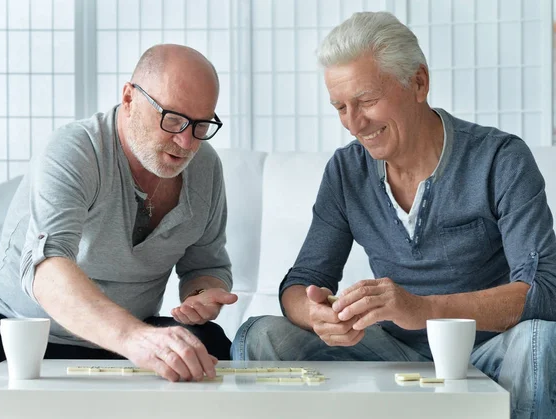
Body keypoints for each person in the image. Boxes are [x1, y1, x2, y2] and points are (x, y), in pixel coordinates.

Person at [231, 11, 556, 418]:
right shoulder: (347, 171)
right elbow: (301, 283)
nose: (354, 123)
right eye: (340, 107)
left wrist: (421, 309)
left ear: (418, 82)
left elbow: (544, 292)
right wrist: (316, 315)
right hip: (389, 356)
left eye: (366, 101)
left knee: (540, 341)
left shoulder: (500, 159)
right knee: (258, 336)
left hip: (489, 354)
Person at [0, 44, 238, 383]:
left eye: (201, 125)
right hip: (21, 330)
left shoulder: (205, 167)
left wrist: (200, 295)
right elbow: (47, 269)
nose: (188, 143)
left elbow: (205, 265)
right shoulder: (77, 149)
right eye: (173, 119)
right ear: (130, 98)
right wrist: (135, 338)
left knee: (208, 343)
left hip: (127, 341)